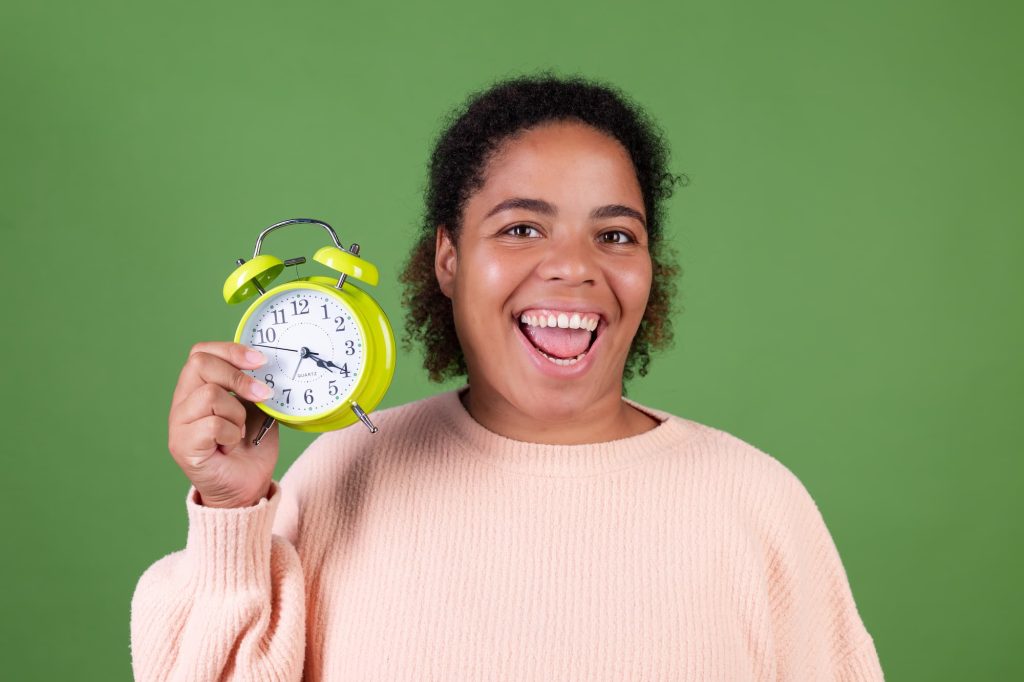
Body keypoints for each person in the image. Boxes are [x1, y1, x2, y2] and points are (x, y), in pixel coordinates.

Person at [130, 73, 884, 680]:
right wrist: (233, 514)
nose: (573, 267)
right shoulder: (344, 476)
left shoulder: (757, 506)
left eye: (615, 234)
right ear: (448, 260)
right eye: (522, 228)